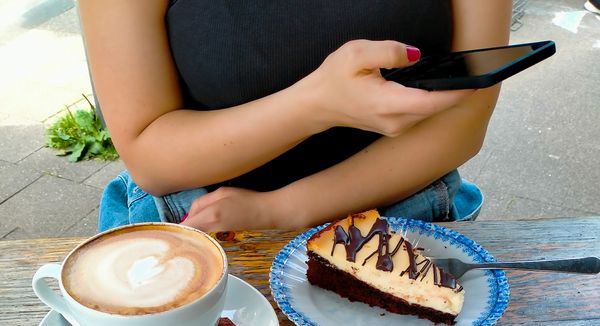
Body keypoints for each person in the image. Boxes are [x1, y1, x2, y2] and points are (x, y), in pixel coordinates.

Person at [78, 1, 512, 234]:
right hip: (204, 223)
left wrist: (283, 209)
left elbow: (466, 117)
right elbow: (148, 152)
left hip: (405, 213)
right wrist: (314, 105)